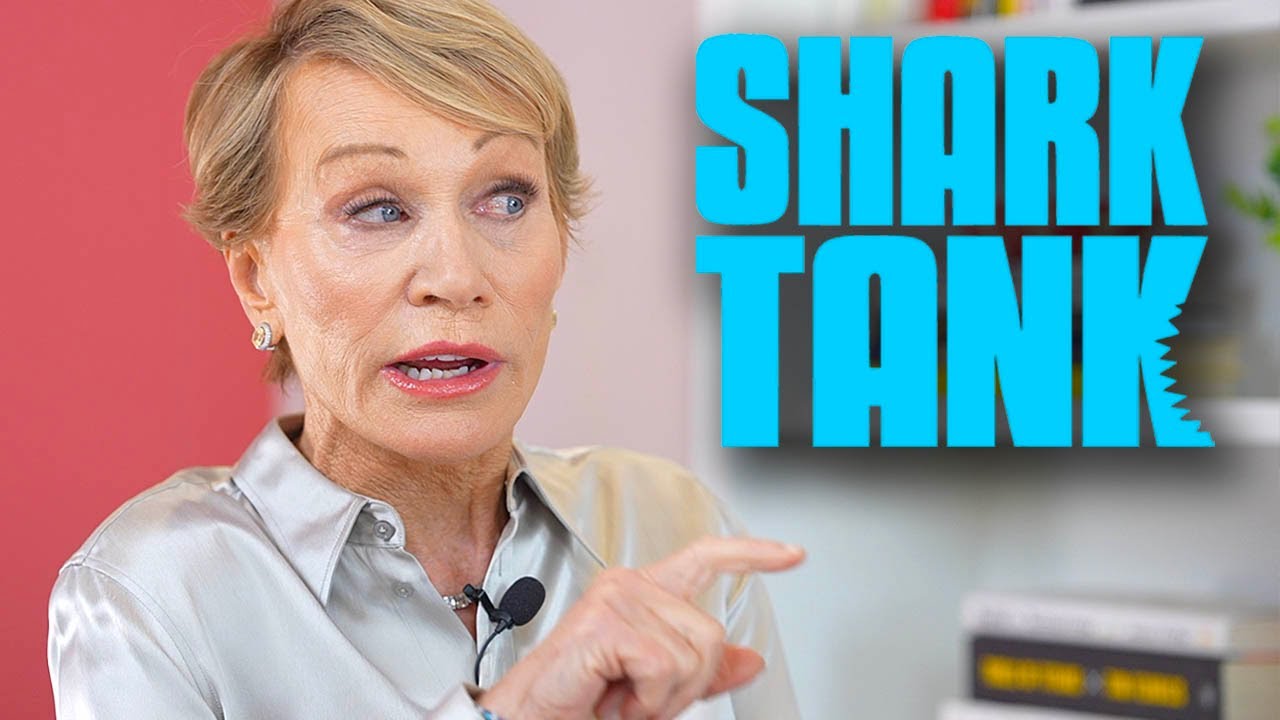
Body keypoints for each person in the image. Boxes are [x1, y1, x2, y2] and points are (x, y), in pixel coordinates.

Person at [45, 1, 805, 718]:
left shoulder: (668, 524)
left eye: (506, 200)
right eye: (378, 209)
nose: (456, 276)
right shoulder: (150, 591)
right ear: (256, 281)